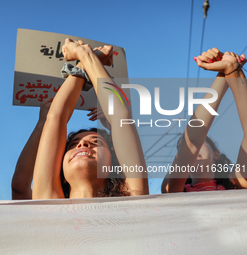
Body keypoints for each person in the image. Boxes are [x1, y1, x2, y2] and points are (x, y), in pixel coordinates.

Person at [32, 39, 148, 199]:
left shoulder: (133, 198)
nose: (82, 144)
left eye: (97, 143)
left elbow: (121, 116)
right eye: (72, 145)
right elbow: (55, 118)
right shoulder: (48, 206)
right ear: (63, 176)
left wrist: (84, 57)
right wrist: (86, 59)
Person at [162, 48, 247, 193]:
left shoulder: (236, 182)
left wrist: (231, 71)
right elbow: (191, 143)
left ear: (216, 154)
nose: (192, 151)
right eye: (182, 150)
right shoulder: (175, 190)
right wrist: (226, 72)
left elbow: (194, 140)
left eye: (203, 143)